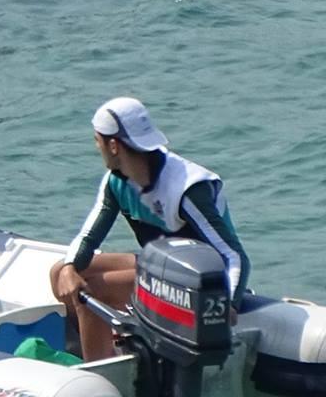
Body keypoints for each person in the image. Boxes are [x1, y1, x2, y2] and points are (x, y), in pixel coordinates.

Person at [51, 98, 249, 360]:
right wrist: (69, 268)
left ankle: (101, 374)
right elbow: (89, 236)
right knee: (60, 273)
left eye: (97, 140)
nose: (95, 146)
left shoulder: (187, 189)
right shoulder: (117, 183)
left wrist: (229, 304)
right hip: (159, 268)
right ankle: (108, 343)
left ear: (113, 145)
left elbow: (234, 256)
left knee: (94, 290)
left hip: (201, 286)